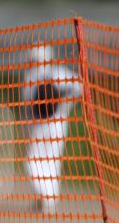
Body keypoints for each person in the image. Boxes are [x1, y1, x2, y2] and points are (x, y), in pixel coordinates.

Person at [21, 44, 82, 214]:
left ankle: (48, 199)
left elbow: (79, 86)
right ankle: (47, 197)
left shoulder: (56, 73)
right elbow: (29, 107)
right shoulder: (32, 77)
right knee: (37, 160)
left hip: (55, 123)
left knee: (47, 160)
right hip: (43, 125)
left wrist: (63, 102)